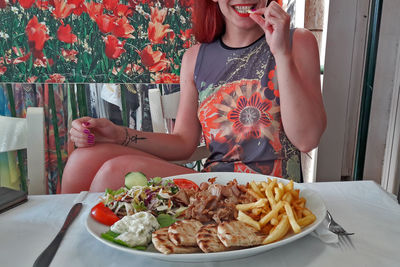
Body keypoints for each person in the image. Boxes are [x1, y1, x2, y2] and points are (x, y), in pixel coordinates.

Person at [61, 0, 326, 193]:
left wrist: (281, 53)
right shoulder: (195, 58)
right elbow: (184, 143)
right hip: (214, 188)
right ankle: (63, 249)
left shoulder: (296, 42)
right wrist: (119, 134)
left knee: (114, 174)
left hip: (271, 192)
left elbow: (307, 140)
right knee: (82, 159)